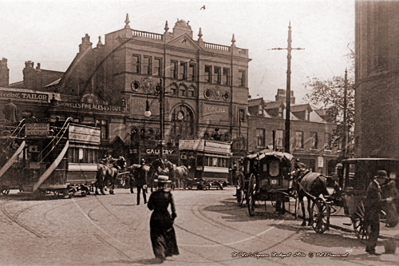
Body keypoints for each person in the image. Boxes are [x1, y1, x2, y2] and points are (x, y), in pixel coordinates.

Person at [147, 175, 179, 263]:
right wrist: (172, 217)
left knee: (156, 235)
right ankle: (166, 252)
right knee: (167, 234)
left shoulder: (154, 194)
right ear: (165, 184)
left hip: (156, 216)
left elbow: (150, 207)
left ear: (158, 184)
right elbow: (173, 208)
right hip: (166, 216)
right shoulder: (168, 194)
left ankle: (159, 254)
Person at [364, 170, 393, 255]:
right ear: (379, 178)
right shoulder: (374, 187)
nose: (384, 180)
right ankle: (371, 250)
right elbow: (376, 201)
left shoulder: (374, 185)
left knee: (374, 230)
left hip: (372, 211)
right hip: (372, 212)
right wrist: (386, 201)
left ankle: (369, 248)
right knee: (375, 231)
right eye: (383, 179)